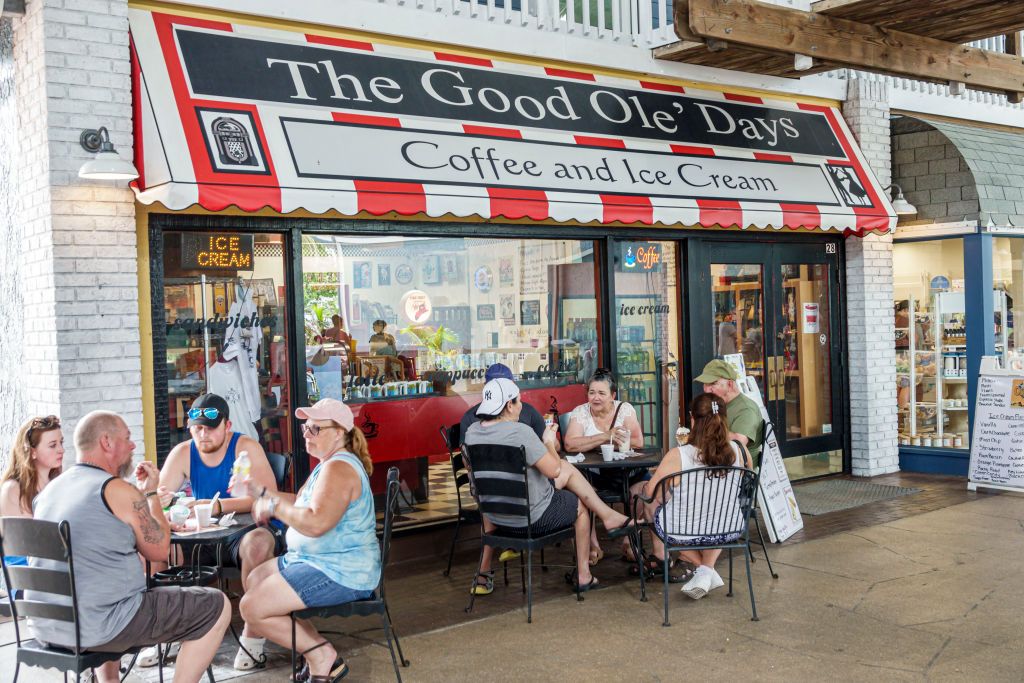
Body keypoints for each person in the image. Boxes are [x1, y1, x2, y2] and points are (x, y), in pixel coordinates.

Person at [28, 411, 230, 683]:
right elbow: (159, 551)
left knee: (110, 591)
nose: (133, 446)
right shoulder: (117, 490)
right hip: (101, 628)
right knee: (216, 605)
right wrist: (150, 494)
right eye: (127, 438)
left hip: (46, 626)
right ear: (107, 443)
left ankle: (108, 680)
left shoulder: (48, 492)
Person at [237, 398, 379, 683]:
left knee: (251, 608)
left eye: (315, 428)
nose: (306, 434)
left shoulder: (338, 469)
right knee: (255, 579)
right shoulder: (327, 464)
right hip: (315, 560)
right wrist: (262, 493)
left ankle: (320, 655)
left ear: (339, 432)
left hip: (340, 569)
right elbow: (300, 502)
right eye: (305, 428)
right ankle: (320, 654)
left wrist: (273, 507)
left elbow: (315, 523)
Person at [462, 378, 634, 592]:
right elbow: (553, 470)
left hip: (495, 518)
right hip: (530, 519)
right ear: (508, 405)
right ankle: (584, 574)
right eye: (518, 402)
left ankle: (607, 516)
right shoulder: (520, 433)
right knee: (578, 505)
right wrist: (549, 441)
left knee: (565, 469)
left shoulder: (471, 433)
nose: (521, 406)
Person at [153, 393, 282, 671]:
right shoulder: (183, 453)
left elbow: (267, 496)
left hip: (244, 532)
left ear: (228, 426)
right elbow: (159, 498)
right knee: (159, 547)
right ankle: (170, 628)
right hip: (202, 536)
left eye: (210, 428)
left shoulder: (244, 448)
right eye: (197, 428)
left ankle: (253, 635)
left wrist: (217, 506)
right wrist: (160, 499)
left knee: (257, 544)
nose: (203, 435)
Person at [642, 393, 752, 600]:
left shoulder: (678, 455)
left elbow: (650, 493)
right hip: (729, 526)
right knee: (717, 511)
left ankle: (704, 570)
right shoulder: (741, 451)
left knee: (649, 508)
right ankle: (707, 570)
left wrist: (654, 487)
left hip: (683, 529)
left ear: (693, 419)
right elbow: (745, 484)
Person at [457, 364, 542, 596]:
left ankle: (484, 572)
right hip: (518, 488)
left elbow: (469, 463)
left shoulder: (471, 419)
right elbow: (545, 452)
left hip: (495, 487)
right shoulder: (526, 412)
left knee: (493, 496)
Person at [563, 369, 644, 564]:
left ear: (613, 395)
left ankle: (629, 540)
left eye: (601, 393)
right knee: (581, 495)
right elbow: (570, 444)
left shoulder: (625, 409)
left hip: (624, 472)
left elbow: (637, 441)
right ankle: (593, 545)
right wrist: (606, 436)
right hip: (593, 475)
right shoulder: (581, 412)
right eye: (592, 392)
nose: (595, 398)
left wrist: (596, 442)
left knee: (642, 492)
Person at [1, 416, 64, 593]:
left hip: (58, 575)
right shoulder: (13, 489)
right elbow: (17, 551)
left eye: (61, 442)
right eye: (53, 445)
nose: (61, 449)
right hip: (27, 583)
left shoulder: (59, 485)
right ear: (32, 451)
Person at [695, 359, 764, 466]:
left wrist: (707, 427)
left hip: (737, 474)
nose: (707, 390)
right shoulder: (717, 404)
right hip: (714, 467)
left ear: (730, 384)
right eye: (705, 384)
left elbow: (738, 444)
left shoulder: (746, 409)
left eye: (713, 383)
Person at [460, 363, 546, 440]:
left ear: (486, 386)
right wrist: (549, 441)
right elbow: (550, 444)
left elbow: (465, 455)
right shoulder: (525, 423)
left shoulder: (470, 419)